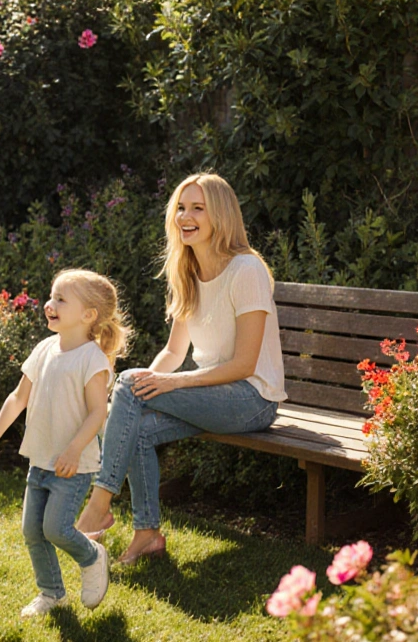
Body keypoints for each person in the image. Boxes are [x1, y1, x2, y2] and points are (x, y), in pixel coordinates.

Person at [74, 172, 286, 566]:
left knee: (129, 385)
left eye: (198, 209)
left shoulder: (246, 270)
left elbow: (244, 364)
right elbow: (173, 352)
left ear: (221, 215)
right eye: (181, 208)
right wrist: (146, 386)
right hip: (211, 395)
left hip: (252, 399)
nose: (185, 217)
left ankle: (99, 503)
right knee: (135, 417)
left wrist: (166, 383)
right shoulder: (187, 272)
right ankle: (147, 534)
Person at [0, 269, 130, 617]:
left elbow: (97, 412)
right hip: (40, 460)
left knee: (56, 529)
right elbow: (19, 397)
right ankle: (52, 593)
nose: (50, 304)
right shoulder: (44, 348)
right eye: (51, 296)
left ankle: (91, 556)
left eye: (61, 299)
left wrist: (73, 450)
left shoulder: (92, 359)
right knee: (33, 531)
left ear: (88, 315)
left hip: (73, 465)